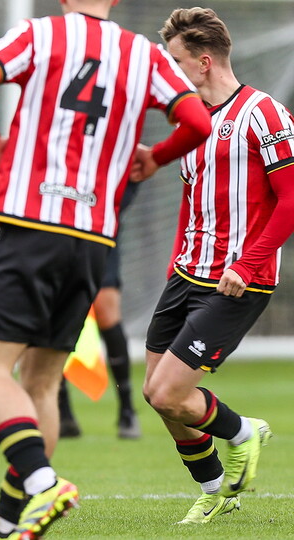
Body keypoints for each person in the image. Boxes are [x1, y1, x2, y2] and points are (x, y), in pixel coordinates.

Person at [0, 1, 213, 538]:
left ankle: (44, 483)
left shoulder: (40, 35)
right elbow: (198, 120)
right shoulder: (144, 54)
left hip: (33, 223)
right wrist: (157, 157)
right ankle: (6, 523)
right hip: (93, 239)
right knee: (40, 383)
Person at [142, 7, 294, 525]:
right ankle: (214, 490)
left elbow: (290, 200)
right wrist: (173, 263)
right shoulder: (189, 120)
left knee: (169, 391)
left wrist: (248, 266)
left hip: (235, 282)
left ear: (204, 62)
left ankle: (244, 432)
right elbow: (191, 198)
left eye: (177, 62)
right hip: (186, 273)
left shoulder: (265, 114)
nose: (171, 73)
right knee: (155, 396)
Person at [58, 184, 141, 440]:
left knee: (108, 312)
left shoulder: (112, 147)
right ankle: (61, 411)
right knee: (55, 317)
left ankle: (127, 409)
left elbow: (134, 173)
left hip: (99, 230)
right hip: (56, 231)